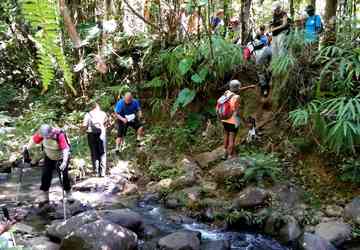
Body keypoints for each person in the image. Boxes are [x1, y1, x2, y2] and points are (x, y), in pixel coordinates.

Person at [23, 124, 72, 204]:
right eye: (44, 136)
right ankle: (45, 196)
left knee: (64, 176)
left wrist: (64, 162)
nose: (45, 137)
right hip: (49, 156)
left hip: (61, 157)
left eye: (46, 136)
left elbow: (65, 150)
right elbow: (34, 141)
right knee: (45, 175)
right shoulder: (43, 133)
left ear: (51, 132)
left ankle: (68, 194)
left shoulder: (59, 135)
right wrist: (26, 148)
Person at [221, 80, 253, 159]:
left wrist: (249, 87)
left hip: (224, 119)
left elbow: (238, 90)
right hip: (233, 120)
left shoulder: (226, 93)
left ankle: (224, 153)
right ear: (237, 88)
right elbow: (238, 112)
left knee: (226, 135)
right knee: (232, 138)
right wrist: (245, 122)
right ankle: (229, 155)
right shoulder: (237, 97)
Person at [82, 102, 108, 177]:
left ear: (91, 108)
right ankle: (102, 172)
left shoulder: (88, 114)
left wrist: (83, 131)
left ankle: (96, 172)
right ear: (97, 107)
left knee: (94, 153)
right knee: (102, 152)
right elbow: (107, 123)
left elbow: (84, 125)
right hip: (101, 134)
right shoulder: (103, 113)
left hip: (91, 134)